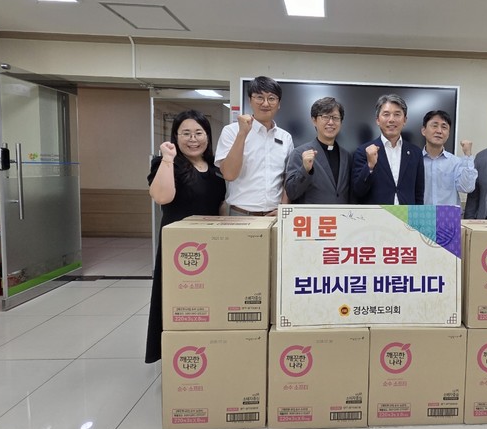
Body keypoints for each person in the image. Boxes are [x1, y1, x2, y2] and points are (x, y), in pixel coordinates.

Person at [145, 109, 226, 363]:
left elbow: (219, 207)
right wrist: (168, 158)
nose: (193, 139)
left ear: (208, 136)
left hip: (210, 247)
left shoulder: (215, 169)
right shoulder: (166, 163)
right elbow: (162, 197)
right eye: (186, 133)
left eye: (199, 133)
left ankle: (207, 350)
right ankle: (176, 353)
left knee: (206, 302)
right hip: (179, 250)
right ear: (175, 136)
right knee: (176, 302)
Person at [215, 76, 294, 215]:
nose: (265, 103)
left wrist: (283, 207)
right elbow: (228, 174)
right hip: (241, 214)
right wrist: (242, 133)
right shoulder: (232, 131)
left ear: (279, 104)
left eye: (271, 98)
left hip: (274, 215)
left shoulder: (285, 137)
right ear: (250, 100)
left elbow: (288, 177)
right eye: (259, 97)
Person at [351, 93, 424, 205]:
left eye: (397, 114)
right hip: (377, 214)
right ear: (377, 120)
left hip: (405, 214)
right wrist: (370, 166)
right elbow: (358, 191)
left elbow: (418, 194)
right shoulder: (363, 151)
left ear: (405, 120)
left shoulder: (416, 153)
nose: (391, 119)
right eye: (386, 114)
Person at [284, 96, 351, 204]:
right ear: (314, 120)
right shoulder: (299, 153)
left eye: (335, 118)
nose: (331, 122)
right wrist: (305, 170)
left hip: (342, 214)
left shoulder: (347, 156)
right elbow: (291, 192)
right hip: (312, 214)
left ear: (341, 122)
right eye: (325, 117)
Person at [420, 109, 477, 206]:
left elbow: (467, 188)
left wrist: (467, 155)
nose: (439, 131)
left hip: (448, 214)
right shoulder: (414, 161)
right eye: (434, 126)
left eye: (444, 127)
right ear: (423, 131)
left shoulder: (456, 162)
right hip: (421, 213)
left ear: (448, 134)